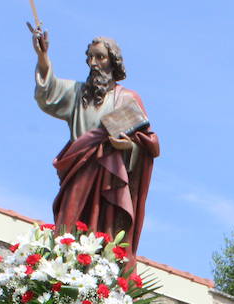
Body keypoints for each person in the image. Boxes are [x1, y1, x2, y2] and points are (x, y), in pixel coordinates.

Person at [30, 28, 159, 251]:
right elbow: (48, 91)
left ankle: (99, 274)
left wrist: (127, 146)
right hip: (78, 169)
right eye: (90, 57)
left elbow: (146, 143)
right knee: (68, 228)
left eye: (100, 57)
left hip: (109, 174)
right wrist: (42, 56)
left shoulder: (127, 99)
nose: (94, 62)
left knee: (103, 231)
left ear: (113, 61)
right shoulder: (78, 92)